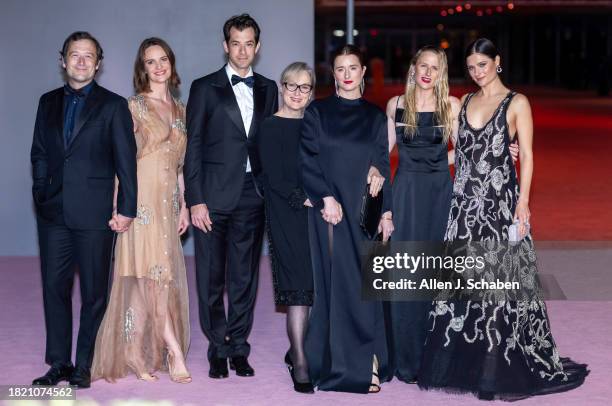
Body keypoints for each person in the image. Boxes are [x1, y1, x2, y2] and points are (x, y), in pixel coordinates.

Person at [418, 38, 589, 400]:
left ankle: (493, 368)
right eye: (471, 67)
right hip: (464, 208)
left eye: (483, 64)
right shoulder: (464, 102)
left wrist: (523, 203)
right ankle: (466, 360)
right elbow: (461, 155)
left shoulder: (517, 102)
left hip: (499, 207)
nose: (477, 72)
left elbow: (526, 155)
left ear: (497, 61)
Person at [30, 31, 137, 388]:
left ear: (98, 63)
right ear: (63, 60)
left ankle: (84, 363)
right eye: (74, 55)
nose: (81, 61)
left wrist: (126, 209)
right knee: (54, 287)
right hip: (54, 213)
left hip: (95, 215)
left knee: (94, 293)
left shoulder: (113, 105)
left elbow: (126, 163)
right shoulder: (47, 102)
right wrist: (42, 195)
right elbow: (40, 153)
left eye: (88, 55)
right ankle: (59, 361)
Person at [91, 38, 191, 384]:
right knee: (151, 280)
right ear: (142, 68)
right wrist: (122, 208)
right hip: (141, 205)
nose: (159, 66)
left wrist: (185, 207)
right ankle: (174, 351)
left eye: (163, 59)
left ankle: (133, 351)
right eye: (151, 62)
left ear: (171, 63)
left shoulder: (180, 109)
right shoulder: (133, 106)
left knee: (144, 282)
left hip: (168, 205)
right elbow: (123, 160)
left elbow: (179, 167)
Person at [184, 14, 278, 379]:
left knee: (245, 276)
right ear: (226, 46)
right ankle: (216, 346)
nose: (242, 50)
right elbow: (192, 147)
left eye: (249, 43)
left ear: (258, 46)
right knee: (210, 276)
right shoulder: (204, 87)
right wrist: (195, 198)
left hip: (253, 194)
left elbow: (274, 143)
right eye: (235, 43)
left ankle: (239, 346)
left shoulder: (269, 88)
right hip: (211, 195)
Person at [301, 45, 394, 394]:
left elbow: (382, 164)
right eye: (340, 68)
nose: (347, 74)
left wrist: (386, 211)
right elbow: (307, 158)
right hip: (328, 212)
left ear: (363, 72)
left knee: (363, 286)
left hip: (363, 212)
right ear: (334, 74)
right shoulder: (317, 112)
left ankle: (368, 357)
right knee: (333, 289)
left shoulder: (374, 117)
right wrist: (325, 197)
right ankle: (337, 364)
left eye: (353, 67)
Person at [384, 46, 459, 384]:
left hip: (440, 193)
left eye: (435, 67)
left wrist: (505, 149)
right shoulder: (396, 105)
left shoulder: (452, 106)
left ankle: (437, 357)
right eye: (423, 65)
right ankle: (405, 358)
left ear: (441, 72)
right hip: (406, 194)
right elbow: (380, 152)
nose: (428, 72)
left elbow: (468, 150)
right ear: (413, 68)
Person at [258, 62, 315, 393]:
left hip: (317, 214)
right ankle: (300, 362)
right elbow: (273, 178)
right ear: (282, 87)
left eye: (304, 87)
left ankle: (301, 350)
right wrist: (306, 198)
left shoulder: (314, 125)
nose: (297, 93)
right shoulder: (270, 127)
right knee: (298, 287)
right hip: (286, 212)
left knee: (315, 284)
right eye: (292, 86)